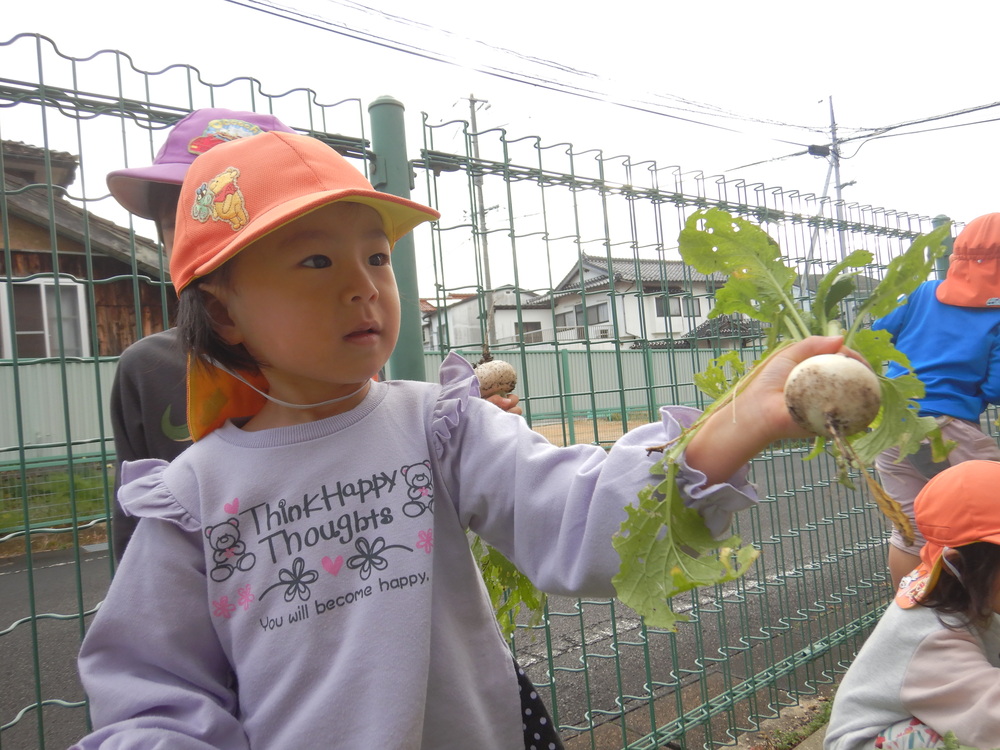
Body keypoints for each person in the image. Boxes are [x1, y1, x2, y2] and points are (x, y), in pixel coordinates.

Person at [74, 130, 858, 749]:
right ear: (224, 312)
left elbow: (584, 515)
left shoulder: (437, 427)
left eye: (376, 255)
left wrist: (735, 424)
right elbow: (152, 687)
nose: (364, 284)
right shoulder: (190, 497)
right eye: (316, 259)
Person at [106, 108, 523, 562]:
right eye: (182, 224)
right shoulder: (147, 370)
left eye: (377, 258)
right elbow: (144, 549)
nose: (361, 288)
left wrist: (459, 440)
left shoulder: (339, 355)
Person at [823, 459, 1000, 750]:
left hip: (953, 704)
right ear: (959, 565)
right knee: (936, 740)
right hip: (870, 740)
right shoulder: (931, 634)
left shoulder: (967, 591)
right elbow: (990, 721)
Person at [871, 212, 1000, 587]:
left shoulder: (922, 293)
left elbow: (878, 333)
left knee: (909, 528)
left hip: (893, 420)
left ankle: (907, 613)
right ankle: (981, 614)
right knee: (988, 522)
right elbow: (994, 389)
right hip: (950, 430)